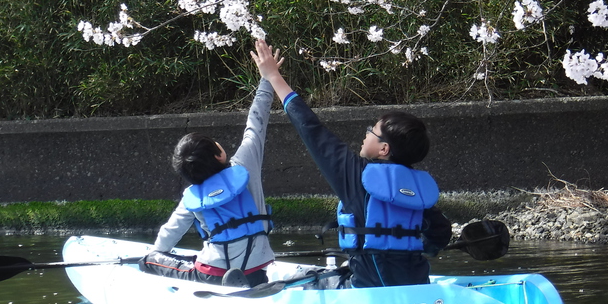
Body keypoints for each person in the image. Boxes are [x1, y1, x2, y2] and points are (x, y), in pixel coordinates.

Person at [251, 38, 451, 288]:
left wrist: (273, 76)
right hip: (416, 286)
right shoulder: (420, 195)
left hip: (367, 292)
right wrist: (421, 247)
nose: (366, 133)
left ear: (383, 149)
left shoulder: (358, 175)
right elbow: (440, 234)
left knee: (299, 282)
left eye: (372, 130)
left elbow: (312, 130)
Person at [139, 61, 282, 287]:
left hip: (211, 274)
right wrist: (267, 78)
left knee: (149, 260)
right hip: (256, 272)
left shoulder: (193, 196)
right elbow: (256, 123)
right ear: (219, 156)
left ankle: (149, 262)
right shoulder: (245, 165)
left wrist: (157, 252)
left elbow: (171, 232)